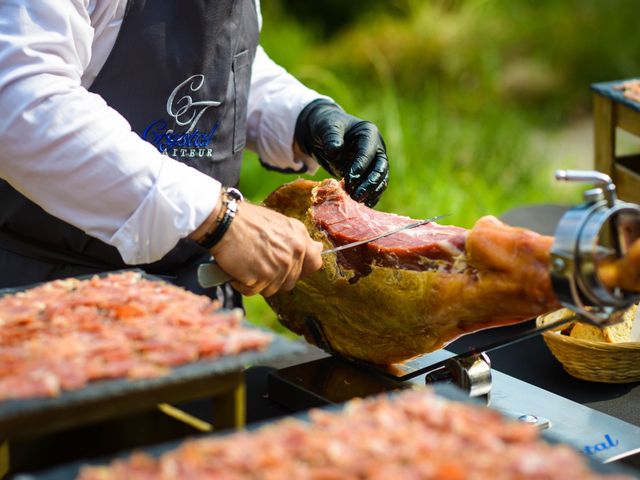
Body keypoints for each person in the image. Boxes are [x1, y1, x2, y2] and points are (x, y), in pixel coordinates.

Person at [0, 0, 389, 308]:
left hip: (196, 299)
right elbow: (21, 103)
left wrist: (304, 117)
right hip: (49, 302)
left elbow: (217, 62)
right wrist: (218, 217)